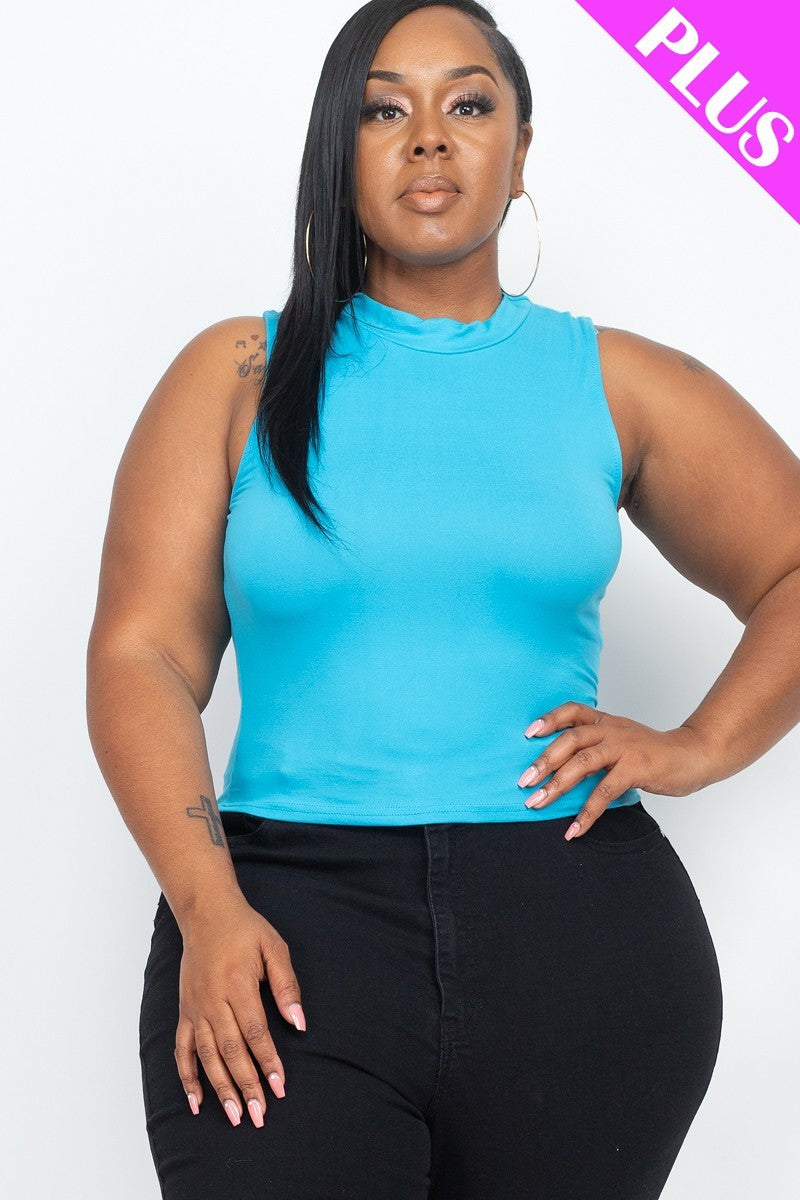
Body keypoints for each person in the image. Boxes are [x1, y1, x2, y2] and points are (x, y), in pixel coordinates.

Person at [86, 2, 800, 1197]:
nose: (428, 136)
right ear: (338, 152)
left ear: (519, 153)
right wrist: (207, 908)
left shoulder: (613, 382)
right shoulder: (237, 374)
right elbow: (141, 656)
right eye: (384, 110)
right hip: (283, 928)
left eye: (468, 103)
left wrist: (698, 744)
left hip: (578, 935)